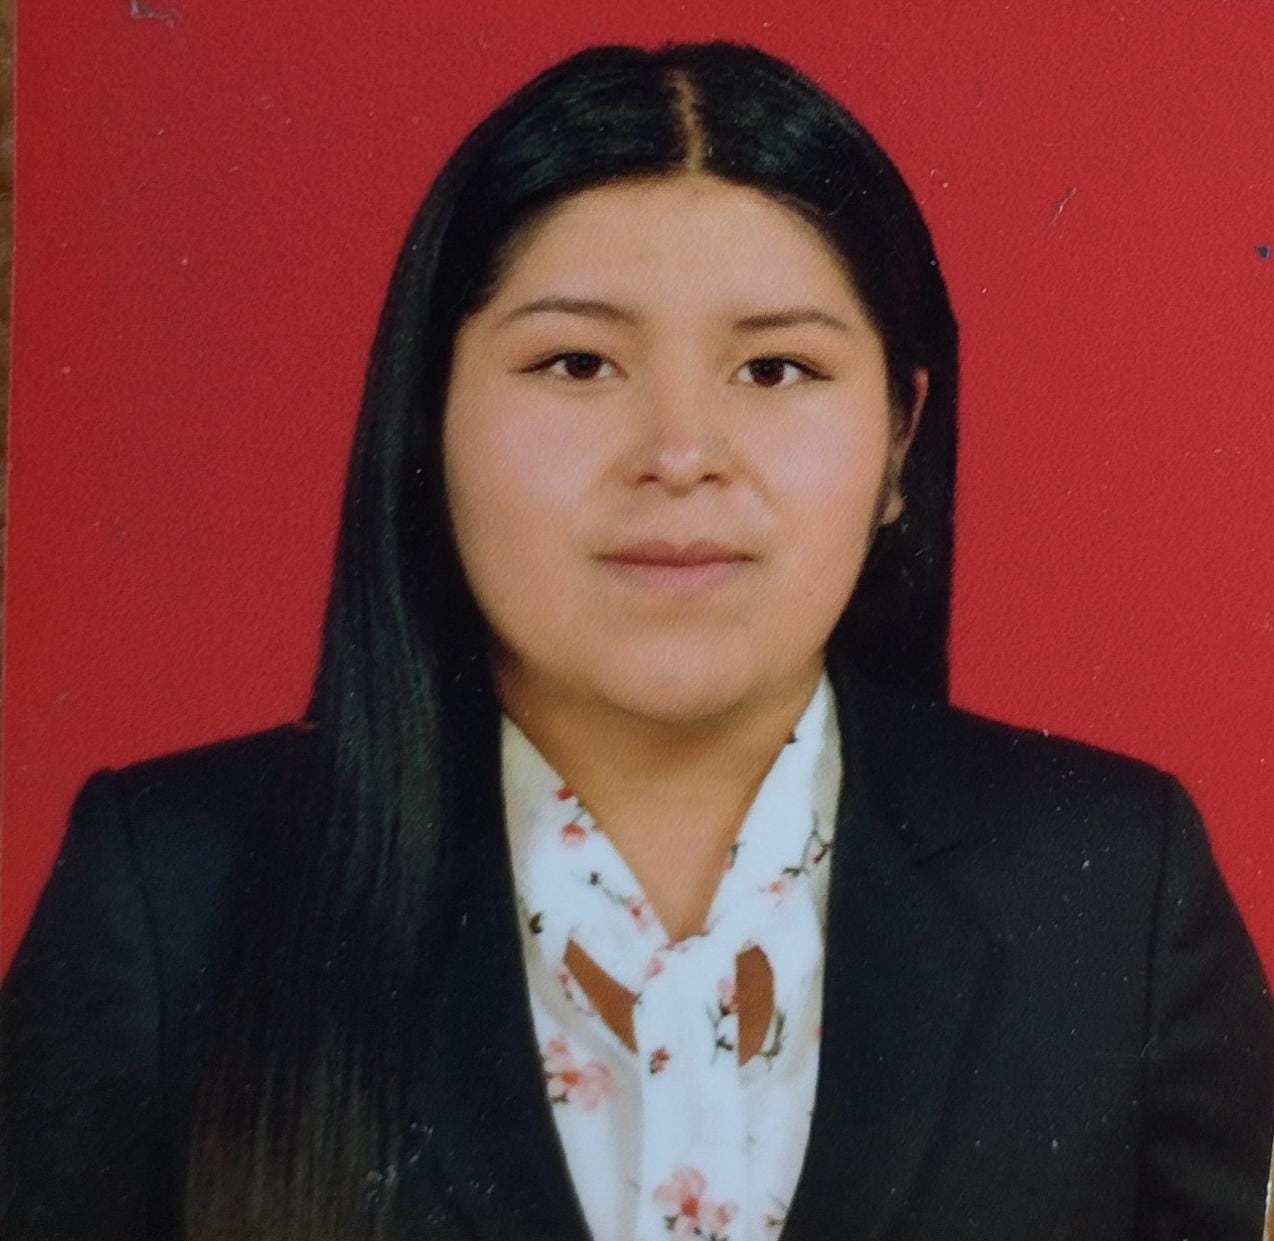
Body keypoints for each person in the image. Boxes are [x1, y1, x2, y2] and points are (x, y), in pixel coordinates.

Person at [2, 37, 1271, 1241]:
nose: (677, 454)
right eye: (576, 363)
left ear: (897, 437)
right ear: (428, 416)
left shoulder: (1110, 893)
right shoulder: (171, 896)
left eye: (773, 370)